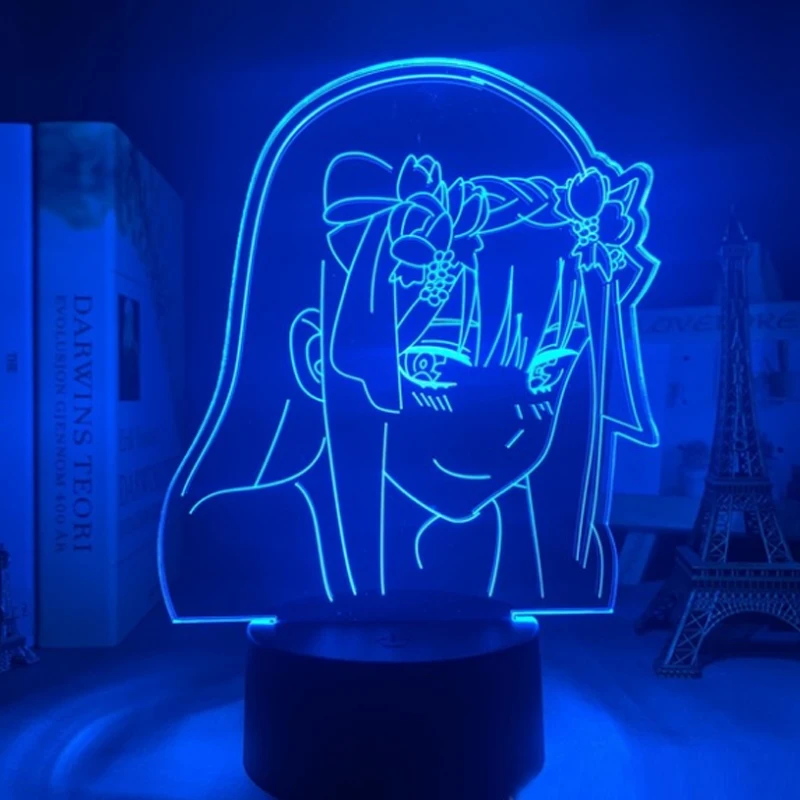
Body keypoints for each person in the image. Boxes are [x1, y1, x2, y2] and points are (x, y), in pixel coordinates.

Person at [159, 61, 659, 622]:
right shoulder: (241, 536)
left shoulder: (537, 555)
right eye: (433, 367)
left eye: (548, 373)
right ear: (315, 357)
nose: (505, 428)